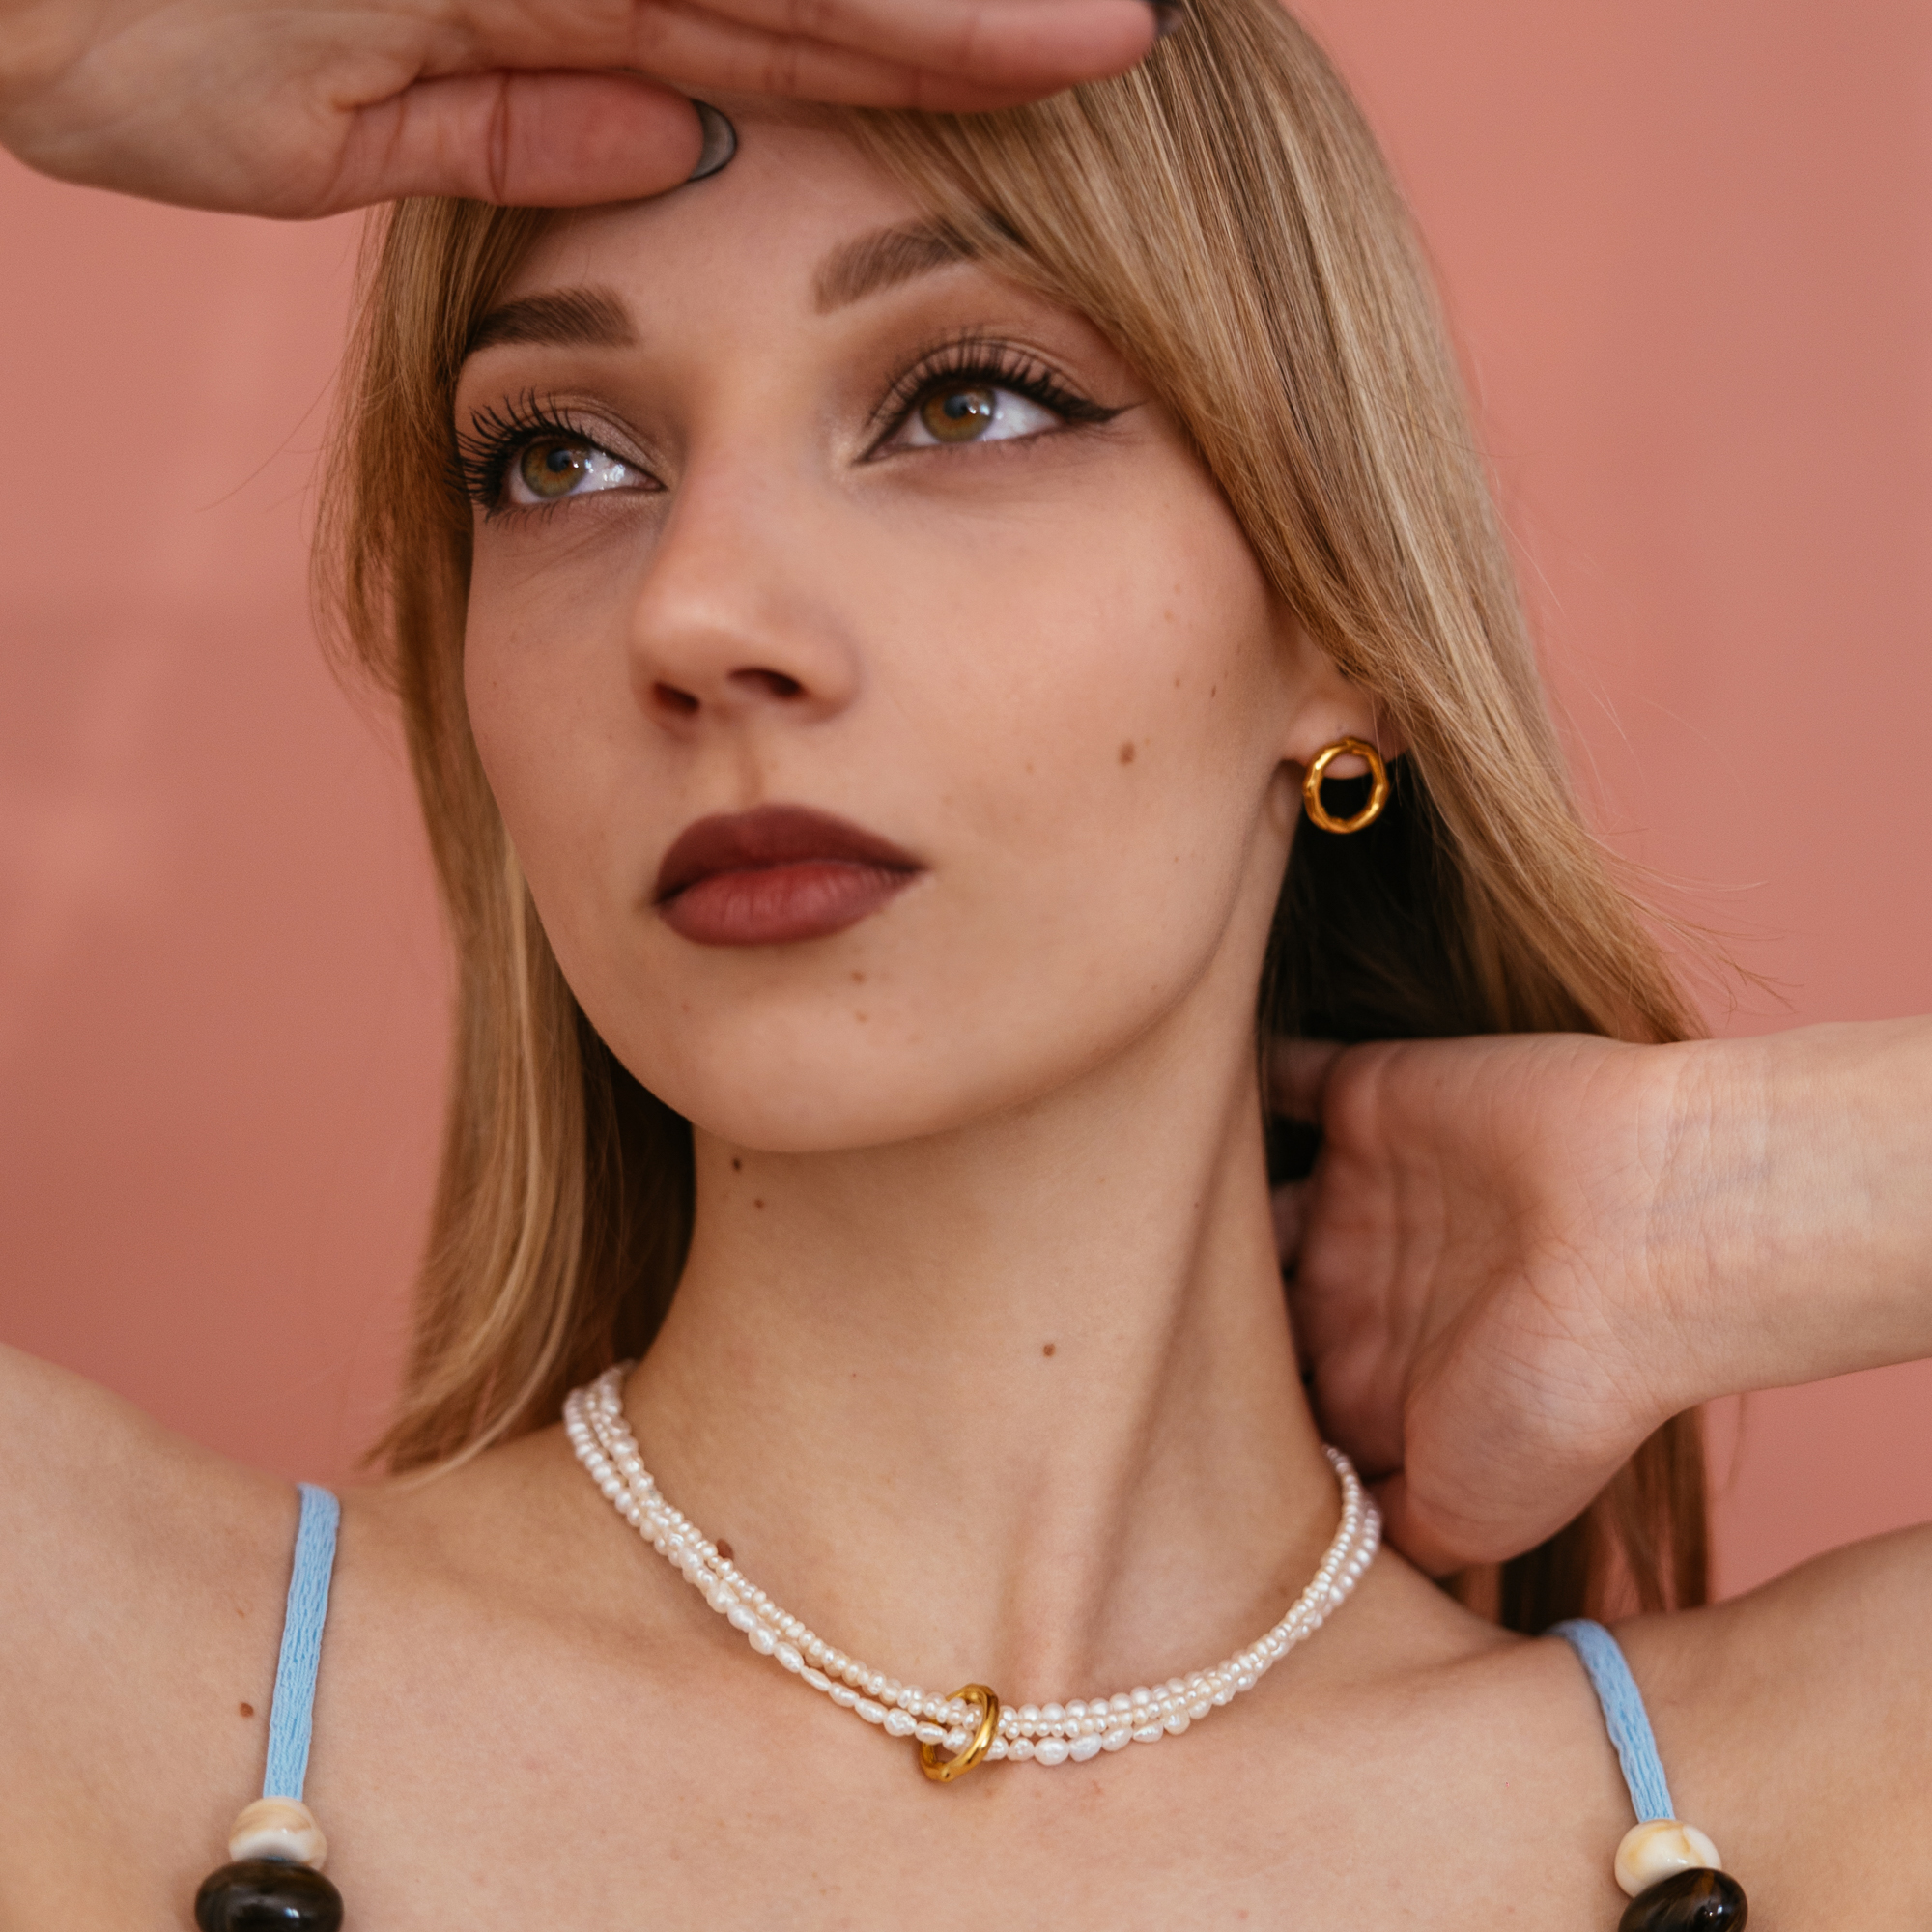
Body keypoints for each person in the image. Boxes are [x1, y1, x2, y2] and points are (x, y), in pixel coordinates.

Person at [1, 3, 1927, 1929]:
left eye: (964, 405)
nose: (697, 613)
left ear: (1338, 616)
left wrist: (1728, 1197)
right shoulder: (86, 1677)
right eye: (560, 457)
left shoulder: (1826, 1791)